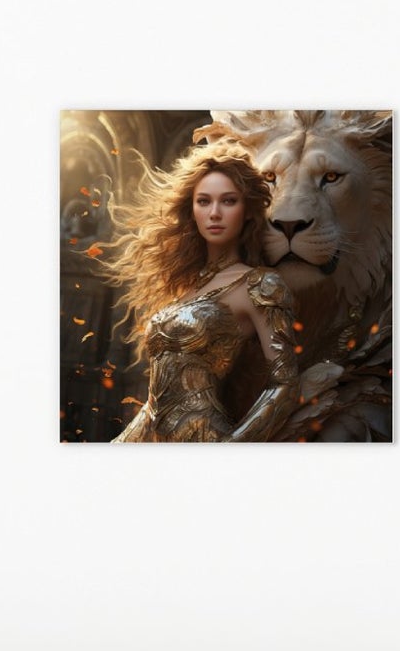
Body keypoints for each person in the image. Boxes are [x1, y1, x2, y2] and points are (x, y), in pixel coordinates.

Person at [106, 144, 337, 442]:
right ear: (191, 209)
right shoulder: (187, 286)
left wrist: (232, 447)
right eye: (204, 201)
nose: (214, 213)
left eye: (228, 201)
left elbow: (285, 386)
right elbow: (157, 398)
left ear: (248, 211)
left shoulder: (260, 285)